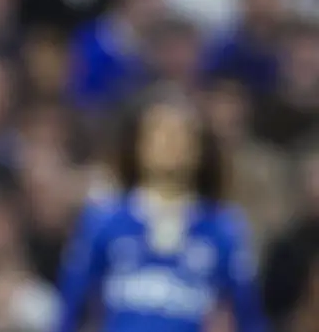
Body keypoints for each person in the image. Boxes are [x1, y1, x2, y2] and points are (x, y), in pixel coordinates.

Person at [57, 98, 265, 332]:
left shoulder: (223, 228)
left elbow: (249, 315)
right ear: (138, 145)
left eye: (181, 135)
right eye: (159, 133)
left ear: (199, 150)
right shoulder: (104, 220)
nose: (170, 144)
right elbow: (70, 306)